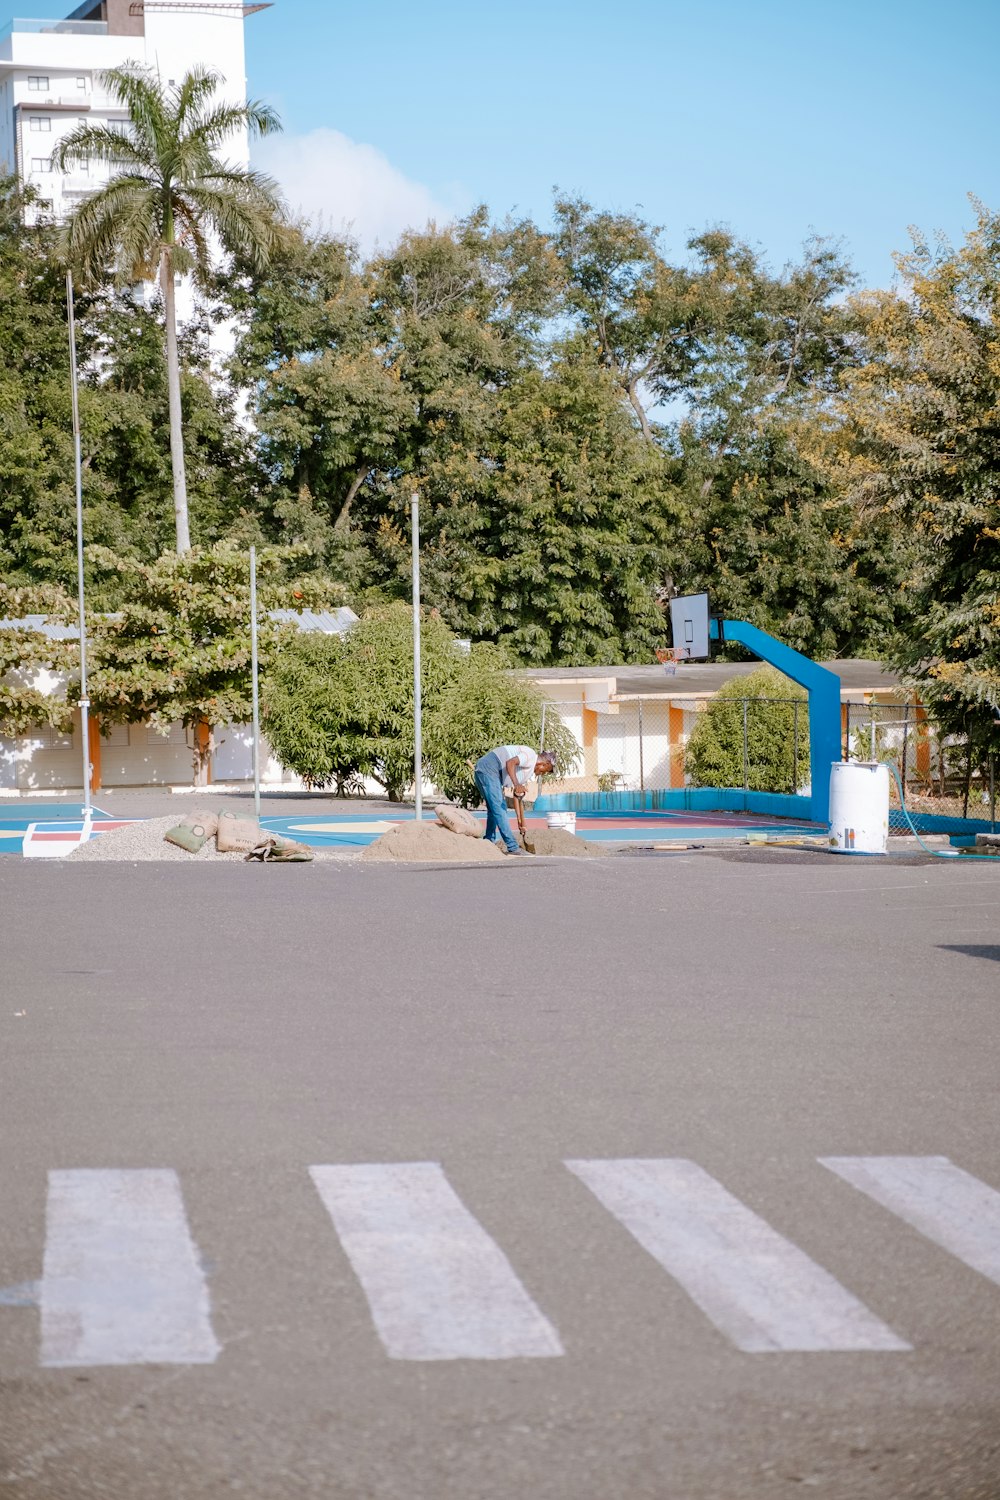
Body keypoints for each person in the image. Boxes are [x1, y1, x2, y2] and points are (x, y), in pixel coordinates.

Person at [474, 745, 556, 854]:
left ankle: (489, 841)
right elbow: (510, 763)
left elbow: (517, 795)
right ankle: (512, 847)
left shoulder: (527, 773)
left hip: (488, 770)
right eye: (545, 771)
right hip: (489, 767)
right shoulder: (530, 755)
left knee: (494, 809)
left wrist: (520, 822)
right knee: (500, 808)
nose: (543, 774)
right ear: (544, 764)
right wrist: (516, 784)